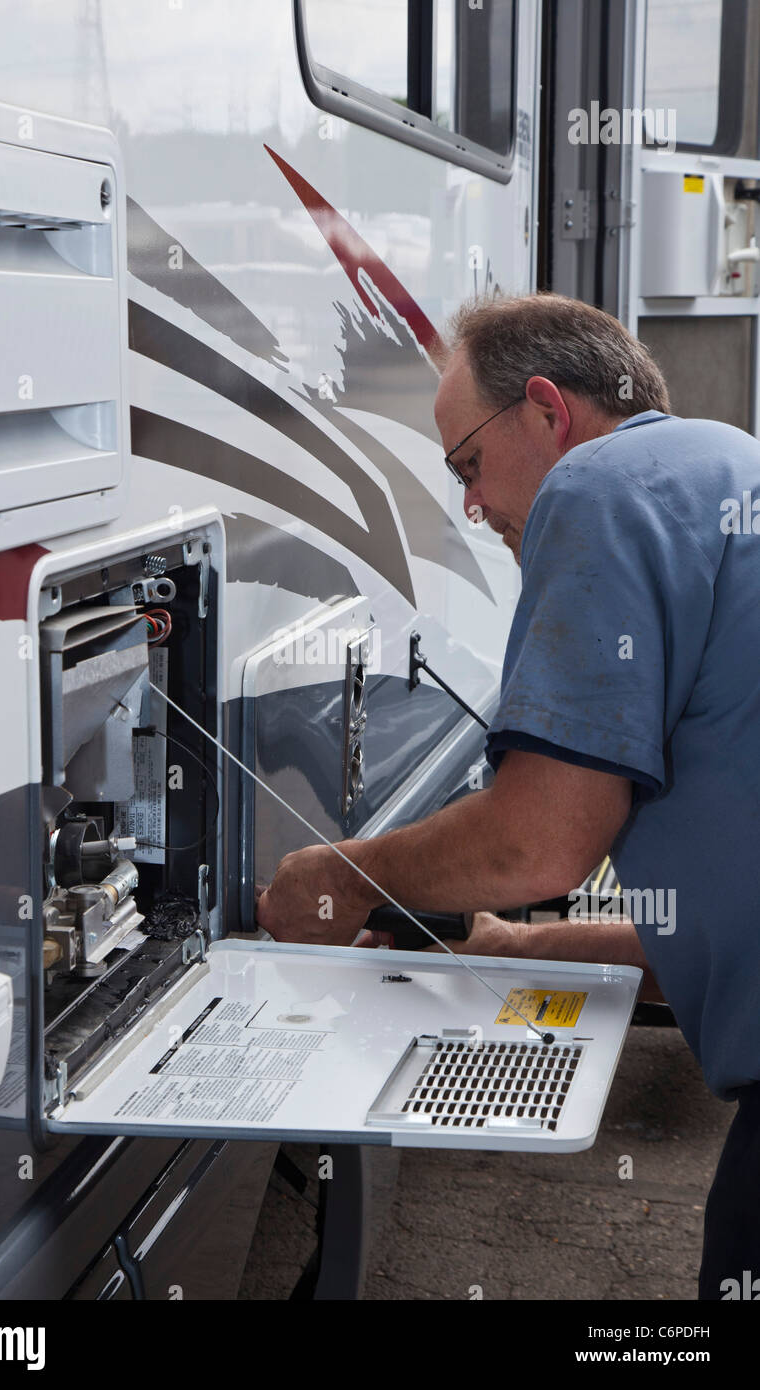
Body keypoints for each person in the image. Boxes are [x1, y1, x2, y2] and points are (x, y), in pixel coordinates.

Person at [256, 292, 760, 1301]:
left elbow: (537, 841)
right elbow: (713, 928)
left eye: (466, 467)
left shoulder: (598, 486)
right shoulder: (721, 463)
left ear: (545, 410)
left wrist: (332, 877)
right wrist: (512, 950)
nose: (471, 508)